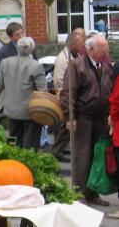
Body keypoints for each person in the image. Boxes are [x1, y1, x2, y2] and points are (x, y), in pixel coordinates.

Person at [61, 34, 113, 206]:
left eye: (105, 47)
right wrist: (70, 116)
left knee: (96, 156)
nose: (106, 50)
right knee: (82, 156)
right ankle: (79, 193)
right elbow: (69, 93)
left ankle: (92, 192)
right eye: (102, 47)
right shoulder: (77, 65)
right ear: (91, 49)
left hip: (100, 118)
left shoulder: (105, 67)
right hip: (82, 118)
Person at [0, 37, 47, 150]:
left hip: (11, 109)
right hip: (30, 111)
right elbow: (42, 91)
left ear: (17, 48)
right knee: (30, 146)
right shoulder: (36, 65)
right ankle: (26, 166)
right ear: (32, 49)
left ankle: (13, 163)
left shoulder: (5, 63)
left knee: (13, 142)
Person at [51, 28, 85, 161]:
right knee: (66, 128)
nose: (83, 46)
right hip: (66, 98)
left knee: (66, 129)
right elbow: (59, 80)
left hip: (73, 97)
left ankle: (56, 151)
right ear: (72, 44)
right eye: (80, 43)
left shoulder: (74, 54)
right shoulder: (62, 59)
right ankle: (55, 152)